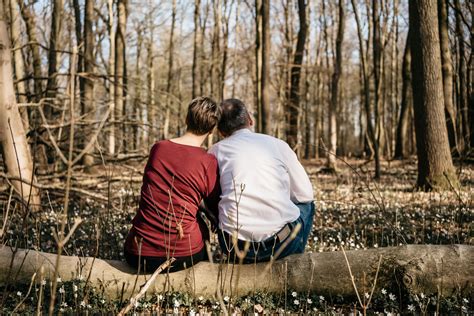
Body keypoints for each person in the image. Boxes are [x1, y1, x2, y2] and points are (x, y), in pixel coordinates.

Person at [209, 98, 314, 263]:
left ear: (221, 132)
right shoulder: (277, 145)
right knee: (307, 205)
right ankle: (296, 258)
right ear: (250, 121)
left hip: (234, 247)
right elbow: (305, 195)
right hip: (282, 245)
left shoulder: (215, 152)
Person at [124, 97, 221, 272]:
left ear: (186, 120)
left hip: (137, 252)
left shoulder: (158, 148)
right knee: (201, 226)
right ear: (212, 130)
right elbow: (215, 205)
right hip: (181, 254)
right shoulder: (208, 161)